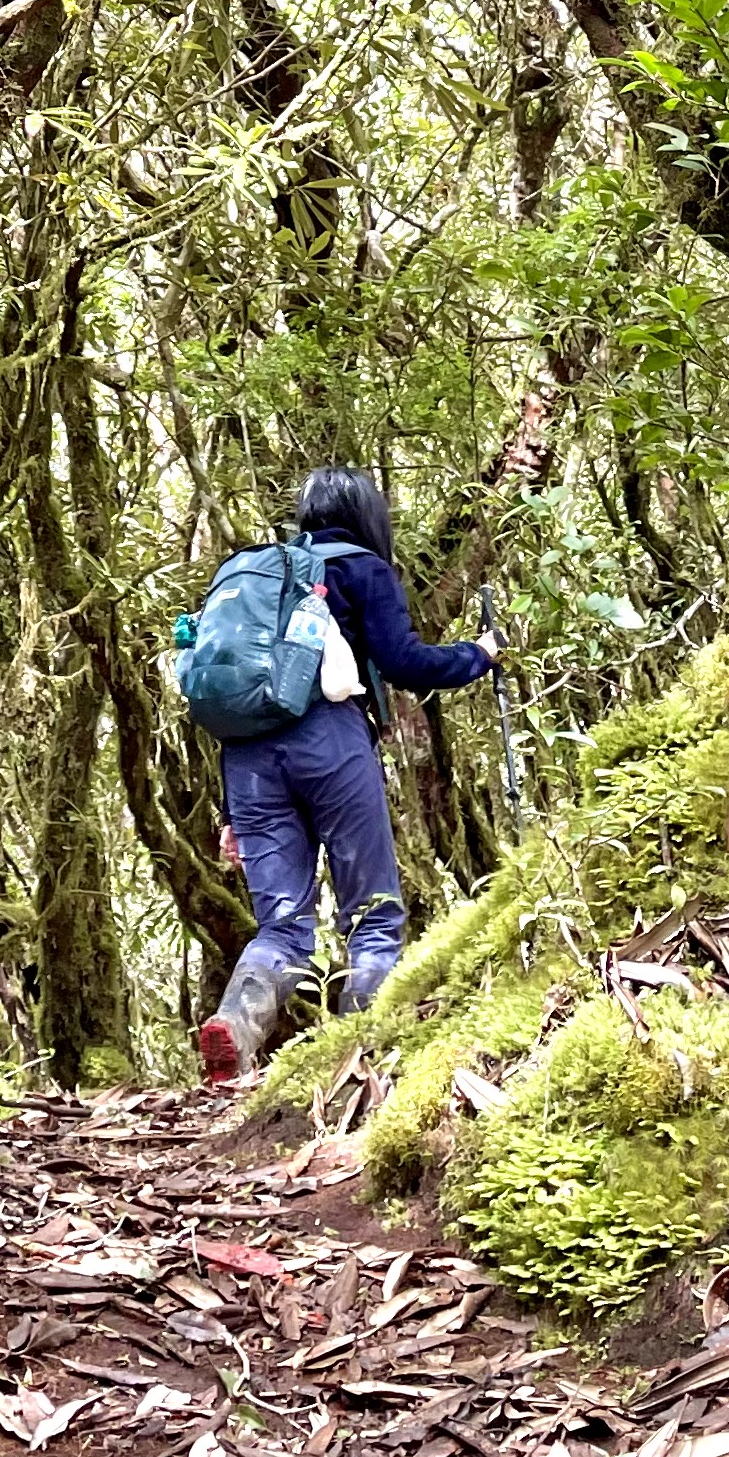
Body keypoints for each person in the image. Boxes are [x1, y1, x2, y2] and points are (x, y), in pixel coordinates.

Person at [197, 465, 498, 1085]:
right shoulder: (362, 566)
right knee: (374, 911)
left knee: (282, 925)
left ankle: (235, 1027)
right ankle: (367, 1052)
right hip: (329, 739)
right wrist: (480, 655)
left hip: (248, 759)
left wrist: (232, 814)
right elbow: (405, 662)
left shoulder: (268, 572)